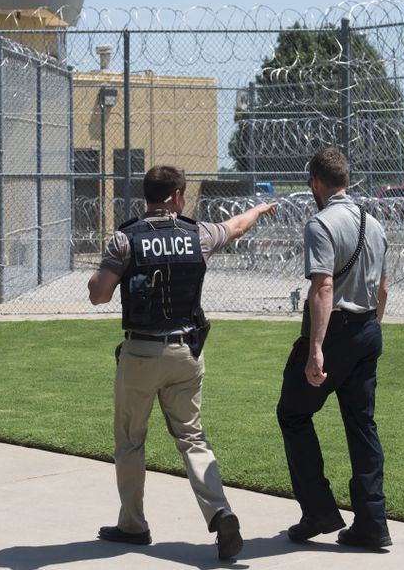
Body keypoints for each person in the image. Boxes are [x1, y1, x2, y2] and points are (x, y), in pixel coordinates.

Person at [88, 164, 277, 561]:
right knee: (192, 438)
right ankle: (220, 511)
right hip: (185, 352)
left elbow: (99, 295)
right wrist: (258, 211)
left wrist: (106, 270)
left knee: (130, 441)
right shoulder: (199, 234)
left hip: (140, 352)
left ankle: (133, 525)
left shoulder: (125, 239)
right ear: (176, 195)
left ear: (148, 196)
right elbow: (235, 226)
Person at [277, 147, 392, 549]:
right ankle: (372, 521)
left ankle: (319, 510)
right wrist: (369, 330)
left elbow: (323, 286)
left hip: (336, 331)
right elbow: (382, 288)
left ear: (315, 183)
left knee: (293, 413)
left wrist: (316, 349)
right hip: (367, 329)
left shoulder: (320, 224)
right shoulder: (372, 223)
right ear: (346, 180)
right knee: (362, 425)